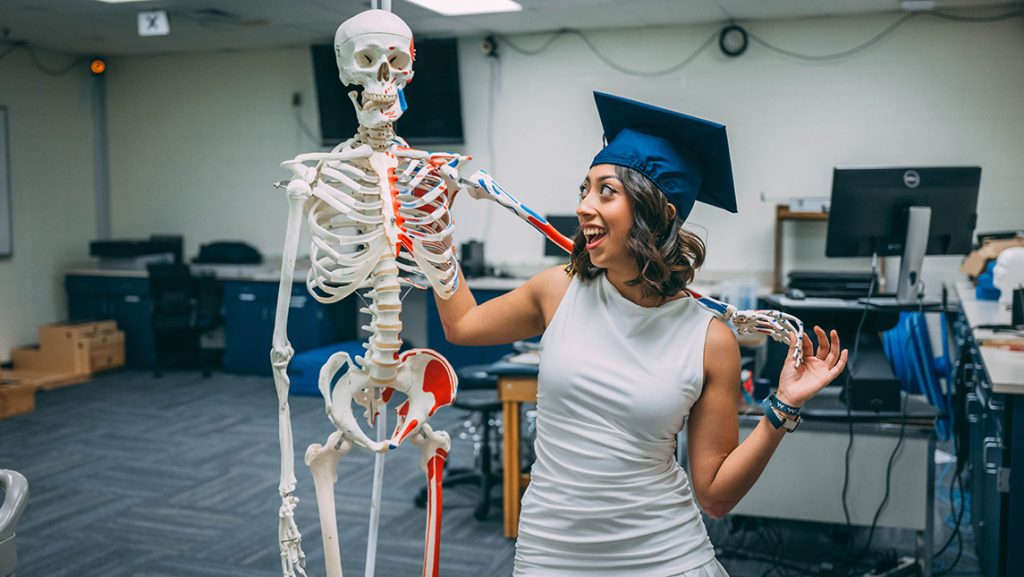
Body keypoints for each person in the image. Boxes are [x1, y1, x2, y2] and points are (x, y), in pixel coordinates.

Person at [433, 92, 849, 576]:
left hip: (663, 557)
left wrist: (783, 407)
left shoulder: (710, 339)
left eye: (605, 191)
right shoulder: (558, 291)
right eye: (584, 190)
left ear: (658, 212)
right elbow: (461, 325)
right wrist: (436, 229)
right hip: (550, 553)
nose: (585, 207)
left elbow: (715, 496)